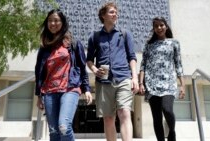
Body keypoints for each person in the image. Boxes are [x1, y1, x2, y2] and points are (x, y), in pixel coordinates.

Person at [35, 9, 93, 141]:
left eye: (56, 20)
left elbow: (81, 68)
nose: (52, 23)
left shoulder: (72, 43)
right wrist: (39, 94)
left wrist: (87, 89)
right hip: (49, 91)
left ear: (62, 23)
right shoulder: (44, 46)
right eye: (50, 20)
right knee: (54, 131)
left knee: (64, 127)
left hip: (69, 88)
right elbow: (39, 71)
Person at [86, 2, 139, 141]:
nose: (115, 14)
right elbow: (89, 59)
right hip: (103, 81)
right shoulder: (94, 36)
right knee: (108, 118)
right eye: (111, 12)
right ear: (103, 15)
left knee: (124, 113)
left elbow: (132, 58)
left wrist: (135, 78)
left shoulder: (125, 34)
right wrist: (94, 69)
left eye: (116, 12)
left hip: (124, 78)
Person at [138, 17, 185, 141]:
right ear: (154, 29)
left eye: (161, 25)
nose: (159, 28)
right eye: (156, 26)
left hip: (168, 83)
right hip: (151, 84)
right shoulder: (149, 45)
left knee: (167, 109)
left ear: (166, 26)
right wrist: (141, 83)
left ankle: (172, 132)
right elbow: (143, 65)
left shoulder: (174, 43)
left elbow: (178, 64)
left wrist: (182, 85)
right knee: (157, 117)